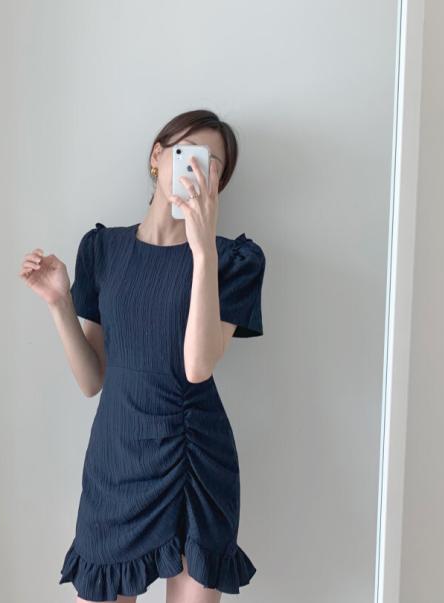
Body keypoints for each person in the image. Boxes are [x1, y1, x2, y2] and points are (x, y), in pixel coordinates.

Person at [19, 109, 266, 602]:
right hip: (118, 455)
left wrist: (202, 250)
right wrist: (60, 303)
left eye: (213, 164)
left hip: (193, 456)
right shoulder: (102, 250)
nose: (197, 169)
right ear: (157, 157)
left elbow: (198, 366)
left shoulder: (234, 260)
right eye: (187, 153)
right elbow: (92, 380)